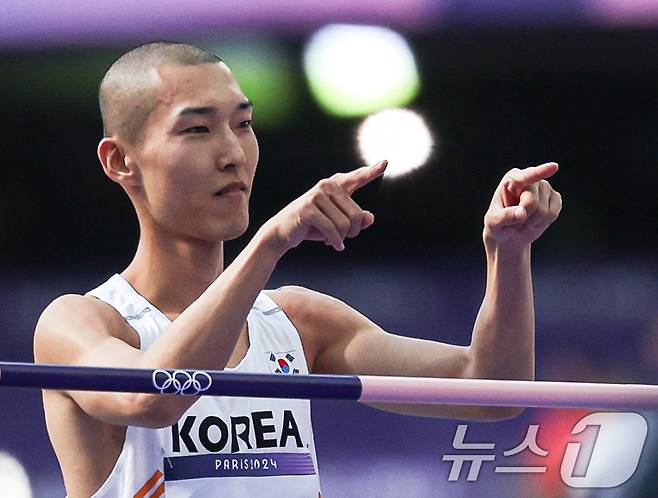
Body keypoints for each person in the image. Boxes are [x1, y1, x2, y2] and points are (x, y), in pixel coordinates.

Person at [33, 42, 562, 498]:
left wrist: (508, 252)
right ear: (120, 161)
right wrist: (269, 243)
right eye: (196, 129)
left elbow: (491, 394)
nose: (233, 154)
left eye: (244, 124)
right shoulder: (80, 325)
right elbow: (150, 397)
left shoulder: (298, 323)